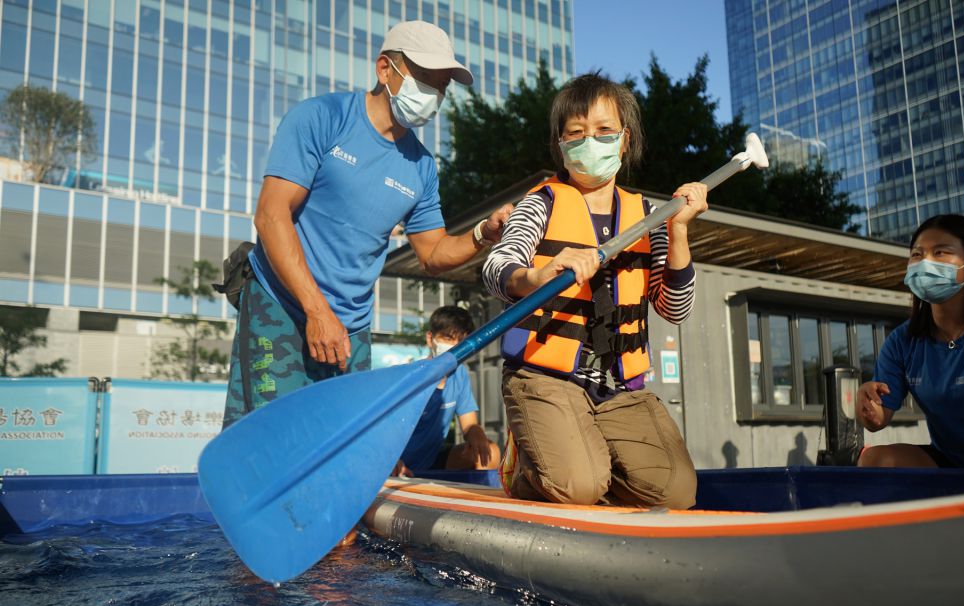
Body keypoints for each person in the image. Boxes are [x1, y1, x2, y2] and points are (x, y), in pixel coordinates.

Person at [223, 21, 512, 427]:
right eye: (426, 79)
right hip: (282, 307)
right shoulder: (321, 118)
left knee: (340, 444)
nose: (435, 95)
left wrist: (483, 234)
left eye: (443, 86)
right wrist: (316, 311)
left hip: (351, 327)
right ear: (384, 70)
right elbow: (271, 216)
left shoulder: (422, 167)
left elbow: (431, 253)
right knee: (270, 441)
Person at [481, 73, 705, 508]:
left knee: (677, 493)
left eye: (604, 132)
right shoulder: (541, 202)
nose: (591, 142)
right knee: (579, 486)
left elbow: (674, 308)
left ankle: (580, 461)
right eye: (576, 134)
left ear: (624, 141)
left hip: (620, 386)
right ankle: (528, 465)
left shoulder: (650, 216)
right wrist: (538, 276)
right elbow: (496, 266)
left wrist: (678, 232)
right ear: (561, 146)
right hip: (546, 378)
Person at [856, 214, 964, 468]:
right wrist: (866, 403)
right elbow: (878, 419)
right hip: (951, 465)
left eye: (940, 252)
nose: (925, 263)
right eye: (917, 254)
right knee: (875, 460)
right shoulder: (902, 342)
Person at [393, 306, 500, 476]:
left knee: (490, 452)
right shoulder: (411, 377)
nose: (455, 346)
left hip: (433, 461)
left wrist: (477, 434)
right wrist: (389, 460)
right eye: (448, 338)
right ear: (430, 338)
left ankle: (472, 501)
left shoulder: (460, 374)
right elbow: (386, 430)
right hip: (397, 463)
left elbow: (470, 425)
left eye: (461, 341)